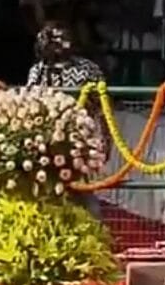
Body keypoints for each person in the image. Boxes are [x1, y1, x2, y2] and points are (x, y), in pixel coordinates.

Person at [26, 23, 107, 217]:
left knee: (83, 187)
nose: (64, 43)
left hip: (80, 136)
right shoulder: (38, 71)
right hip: (45, 137)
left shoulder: (87, 68)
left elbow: (102, 105)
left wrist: (103, 136)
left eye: (66, 37)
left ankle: (92, 225)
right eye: (57, 39)